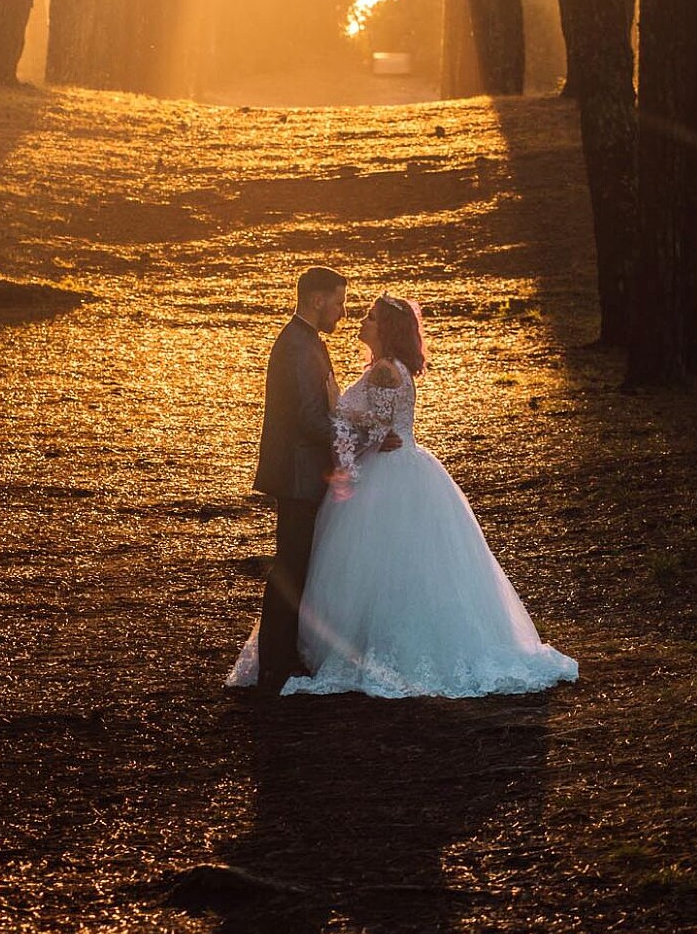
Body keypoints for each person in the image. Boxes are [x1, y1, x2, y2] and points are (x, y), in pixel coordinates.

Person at [230, 293, 577, 699]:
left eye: (371, 317)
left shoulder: (383, 372)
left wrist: (343, 435)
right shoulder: (385, 369)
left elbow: (374, 431)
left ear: (386, 330)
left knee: (383, 564)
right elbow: (373, 424)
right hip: (400, 468)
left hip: (388, 477)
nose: (362, 319)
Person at [250, 267, 391, 694]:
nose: (343, 313)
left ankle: (282, 656)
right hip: (297, 475)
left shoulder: (306, 343)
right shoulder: (297, 347)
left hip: (302, 472)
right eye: (339, 302)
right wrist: (364, 436)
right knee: (290, 567)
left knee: (296, 564)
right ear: (316, 300)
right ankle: (275, 664)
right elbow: (310, 419)